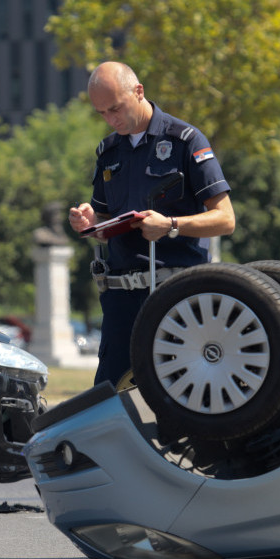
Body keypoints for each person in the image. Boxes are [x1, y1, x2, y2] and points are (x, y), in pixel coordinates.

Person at [69, 61, 236, 387]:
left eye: (115, 108)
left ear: (139, 91)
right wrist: (91, 221)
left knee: (181, 392)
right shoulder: (108, 151)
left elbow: (226, 219)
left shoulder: (186, 140)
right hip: (120, 300)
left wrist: (171, 224)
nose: (111, 119)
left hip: (176, 296)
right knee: (110, 396)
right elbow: (104, 222)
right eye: (101, 113)